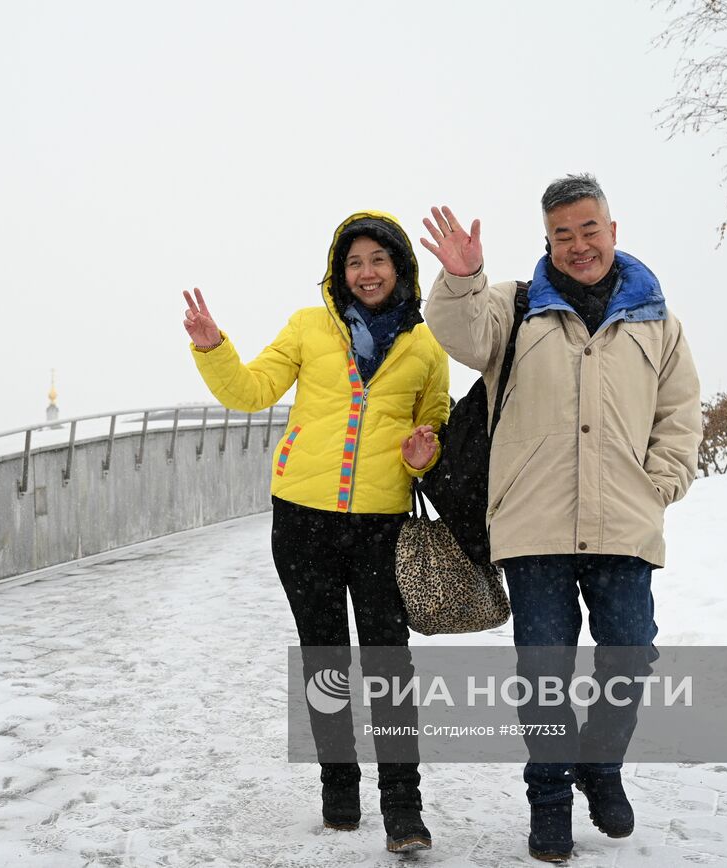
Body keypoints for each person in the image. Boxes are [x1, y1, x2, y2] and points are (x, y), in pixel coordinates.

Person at [419, 175, 701, 862]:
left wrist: (660, 484)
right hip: (534, 523)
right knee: (545, 671)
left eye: (588, 229)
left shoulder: (657, 321)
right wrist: (463, 278)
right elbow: (459, 332)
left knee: (629, 655)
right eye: (562, 235)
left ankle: (600, 767)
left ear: (612, 230)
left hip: (623, 523)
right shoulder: (513, 306)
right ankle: (548, 799)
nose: (578, 245)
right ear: (547, 241)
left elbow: (679, 412)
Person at [181, 211, 450, 853]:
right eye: (354, 262)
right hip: (303, 520)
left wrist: (424, 455)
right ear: (339, 270)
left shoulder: (426, 344)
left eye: (378, 260)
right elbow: (251, 391)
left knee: (389, 663)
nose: (366, 273)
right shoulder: (308, 326)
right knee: (324, 657)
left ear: (400, 267)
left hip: (383, 525)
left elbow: (434, 425)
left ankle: (403, 807)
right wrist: (214, 348)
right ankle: (339, 791)